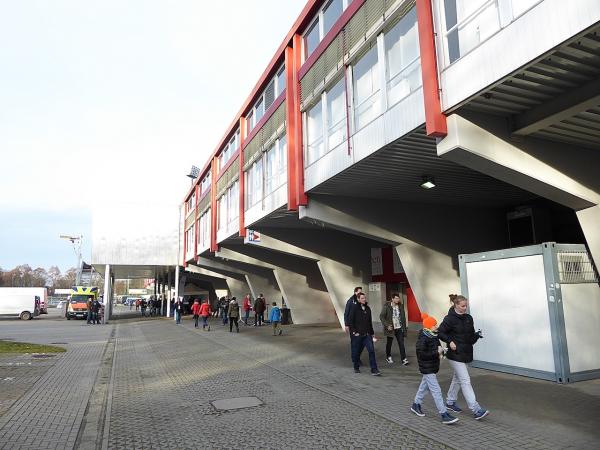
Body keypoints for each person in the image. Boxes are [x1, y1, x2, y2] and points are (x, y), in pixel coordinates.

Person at [437, 294, 489, 420]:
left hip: (465, 353)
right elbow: (440, 332)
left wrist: (476, 335)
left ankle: (450, 402)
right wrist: (450, 341)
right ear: (455, 305)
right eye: (462, 306)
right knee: (465, 380)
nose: (465, 308)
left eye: (466, 305)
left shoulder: (468, 318)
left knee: (458, 379)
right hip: (454, 354)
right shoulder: (449, 319)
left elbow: (470, 338)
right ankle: (476, 409)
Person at [411, 313, 459, 425]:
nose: (436, 326)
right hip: (427, 368)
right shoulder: (423, 338)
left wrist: (442, 352)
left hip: (432, 367)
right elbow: (421, 354)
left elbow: (437, 349)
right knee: (436, 390)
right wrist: (436, 352)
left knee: (424, 387)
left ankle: (416, 404)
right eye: (434, 325)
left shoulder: (433, 335)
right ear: (428, 326)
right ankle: (444, 414)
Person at [348, 292, 380, 376]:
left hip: (367, 335)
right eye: (362, 298)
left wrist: (372, 333)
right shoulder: (354, 308)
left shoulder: (367, 309)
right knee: (356, 352)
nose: (364, 299)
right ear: (358, 299)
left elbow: (369, 322)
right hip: (358, 335)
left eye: (364, 298)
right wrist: (354, 332)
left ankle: (374, 369)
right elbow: (350, 321)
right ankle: (356, 367)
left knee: (371, 351)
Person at [380, 293, 409, 365]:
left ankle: (404, 359)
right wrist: (387, 325)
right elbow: (381, 316)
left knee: (401, 343)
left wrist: (404, 328)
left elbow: (403, 318)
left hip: (399, 328)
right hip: (391, 328)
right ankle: (388, 356)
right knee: (389, 343)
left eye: (398, 298)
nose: (398, 300)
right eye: (396, 298)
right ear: (392, 299)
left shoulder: (400, 306)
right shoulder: (387, 306)